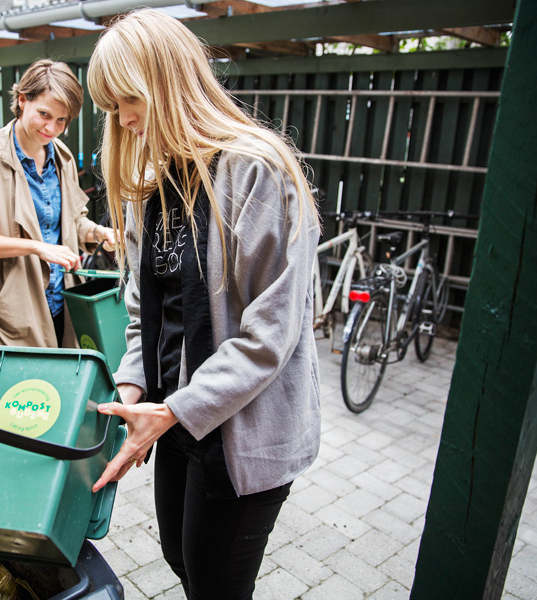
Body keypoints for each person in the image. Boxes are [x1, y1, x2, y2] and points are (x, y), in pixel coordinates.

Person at [87, 10, 322, 599]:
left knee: (215, 582)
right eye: (112, 107)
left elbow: (270, 335)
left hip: (241, 434)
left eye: (127, 99)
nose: (124, 119)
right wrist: (131, 393)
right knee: (178, 555)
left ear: (168, 79)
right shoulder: (154, 181)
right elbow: (146, 312)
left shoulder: (257, 171)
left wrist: (171, 411)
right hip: (177, 419)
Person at [0, 59, 115, 367]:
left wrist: (97, 233)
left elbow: (71, 221)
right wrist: (35, 248)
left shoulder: (62, 158)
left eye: (62, 121)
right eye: (44, 114)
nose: (51, 128)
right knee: (21, 412)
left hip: (63, 306)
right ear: (22, 100)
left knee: (61, 407)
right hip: (11, 316)